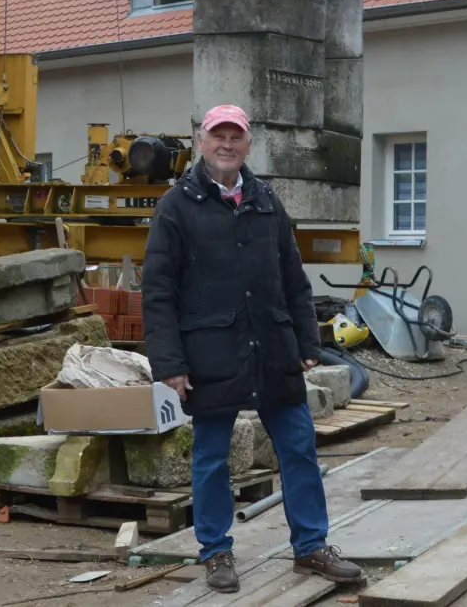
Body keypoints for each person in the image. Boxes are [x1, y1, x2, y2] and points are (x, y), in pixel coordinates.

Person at [141, 104, 363, 592]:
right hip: (211, 353)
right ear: (202, 141)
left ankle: (311, 547)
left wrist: (309, 340)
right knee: (212, 457)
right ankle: (216, 552)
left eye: (235, 137)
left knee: (299, 448)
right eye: (217, 135)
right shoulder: (176, 207)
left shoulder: (266, 200)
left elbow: (293, 278)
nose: (227, 144)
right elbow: (157, 292)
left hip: (273, 348)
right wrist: (170, 364)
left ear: (247, 144)